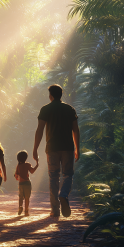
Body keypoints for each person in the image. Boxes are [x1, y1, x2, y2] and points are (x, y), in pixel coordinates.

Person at [33, 84, 80, 218]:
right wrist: (77, 148)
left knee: (53, 176)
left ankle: (55, 210)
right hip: (67, 148)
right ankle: (63, 195)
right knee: (68, 175)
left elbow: (40, 130)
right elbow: (75, 130)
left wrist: (35, 149)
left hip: (52, 148)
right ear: (61, 95)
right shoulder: (70, 109)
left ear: (51, 96)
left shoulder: (45, 109)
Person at [14, 150, 39, 216]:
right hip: (27, 183)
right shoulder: (27, 165)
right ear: (25, 158)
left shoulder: (18, 166)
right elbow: (32, 171)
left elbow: (16, 175)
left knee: (20, 197)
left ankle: (20, 207)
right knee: (27, 198)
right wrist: (37, 164)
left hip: (21, 184)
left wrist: (17, 177)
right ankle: (26, 211)